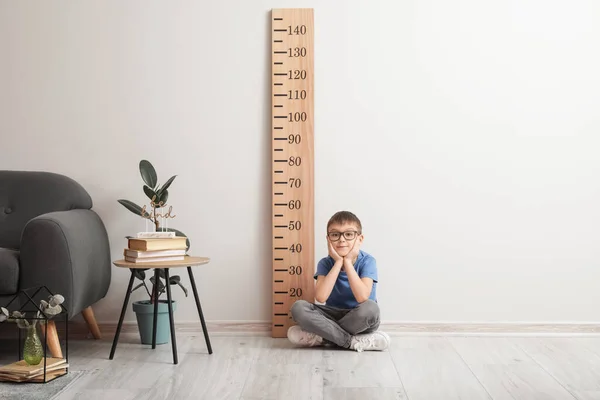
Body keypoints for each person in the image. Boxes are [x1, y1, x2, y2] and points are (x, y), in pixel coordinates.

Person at [287, 211, 390, 352]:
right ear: (328, 239)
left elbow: (362, 297)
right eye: (335, 235)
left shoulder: (368, 261)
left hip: (361, 318)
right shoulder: (325, 263)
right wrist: (337, 263)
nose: (342, 240)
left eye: (348, 234)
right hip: (332, 315)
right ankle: (352, 342)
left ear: (359, 239)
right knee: (298, 307)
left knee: (371, 308)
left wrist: (347, 262)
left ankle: (323, 337)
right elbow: (321, 297)